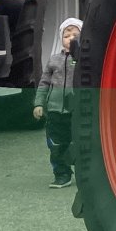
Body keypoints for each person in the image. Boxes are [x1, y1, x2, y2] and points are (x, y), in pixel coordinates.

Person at [33, 18, 83, 188]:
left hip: (77, 110)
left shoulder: (84, 62)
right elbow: (44, 83)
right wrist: (39, 103)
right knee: (56, 144)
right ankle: (62, 174)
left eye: (75, 35)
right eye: (66, 35)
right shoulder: (53, 60)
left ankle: (84, 174)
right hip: (55, 110)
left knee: (79, 142)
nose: (70, 38)